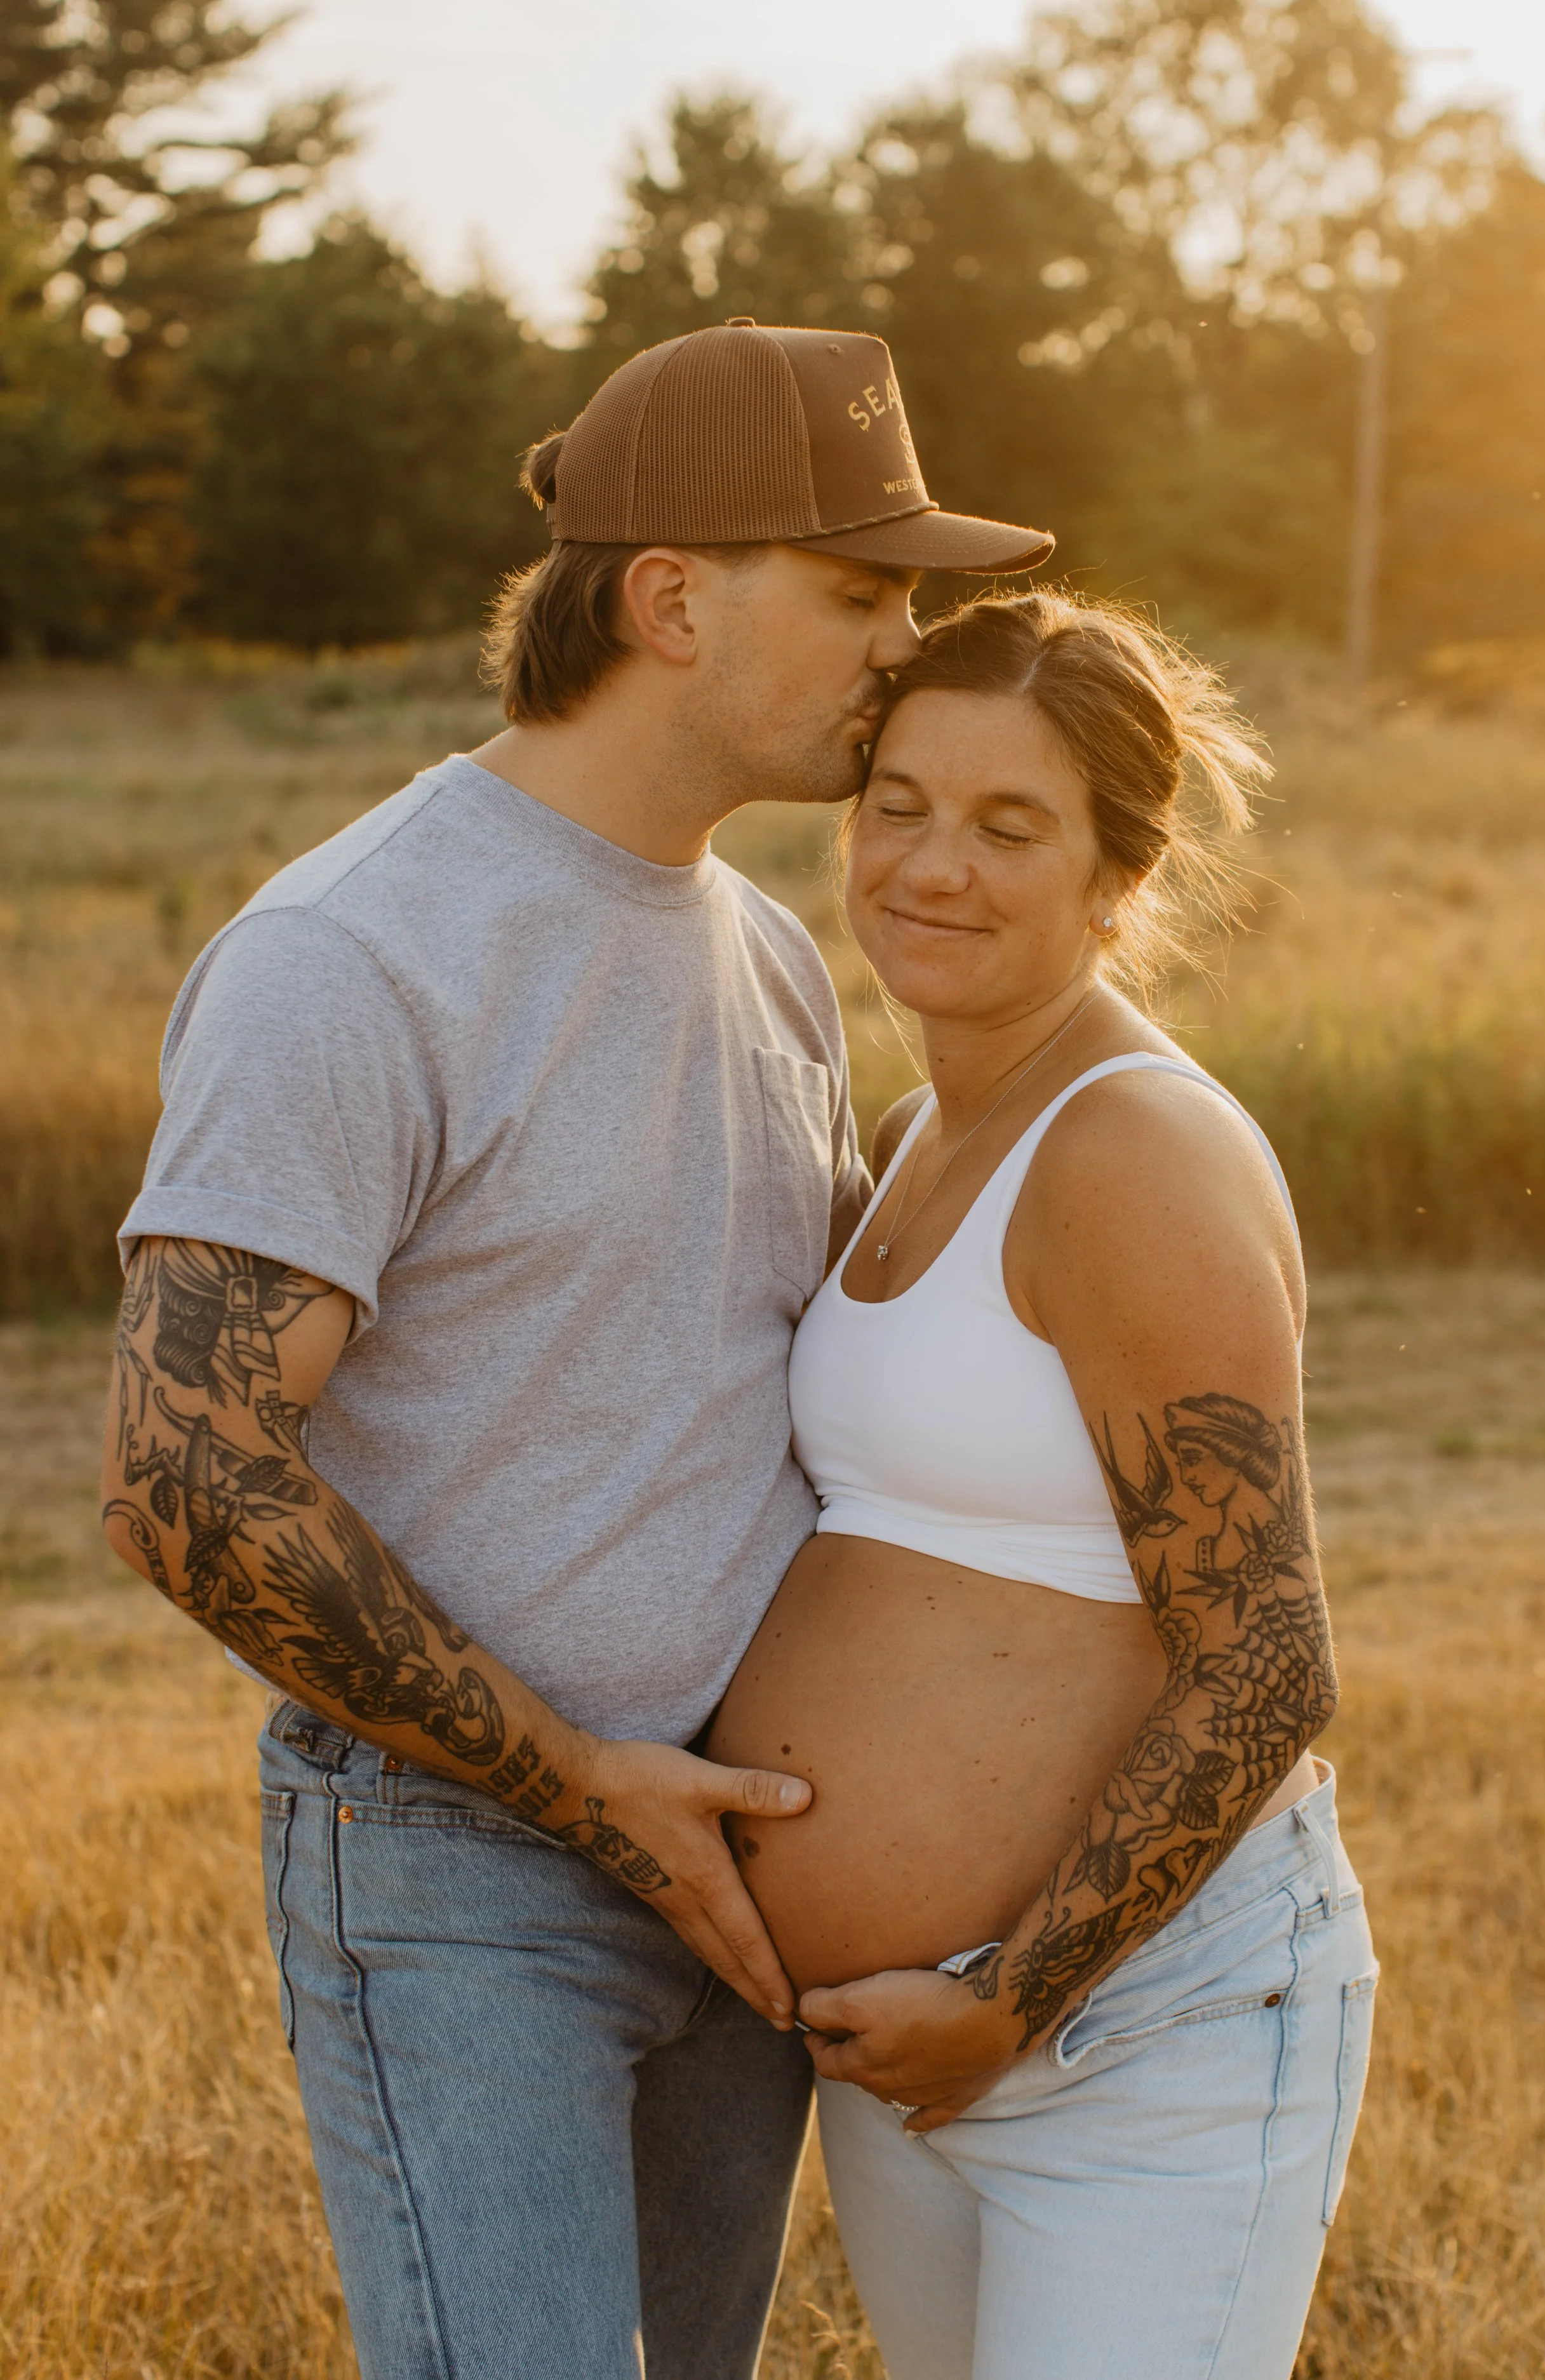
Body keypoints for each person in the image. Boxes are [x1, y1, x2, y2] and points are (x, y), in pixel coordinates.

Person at [98, 322, 1053, 2380]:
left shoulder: (774, 956)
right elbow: (184, 1479)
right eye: (862, 591)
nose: (907, 644)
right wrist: (580, 1783)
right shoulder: (351, 957)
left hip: (745, 1859)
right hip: (463, 1870)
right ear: (672, 601)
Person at [708, 591, 1377, 2379]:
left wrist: (1011, 1996)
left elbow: (1267, 1662)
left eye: (1010, 826)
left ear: (1116, 876)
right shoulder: (923, 1132)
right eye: (901, 806)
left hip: (1133, 2032)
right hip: (914, 2047)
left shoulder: (1131, 1147)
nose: (933, 866)